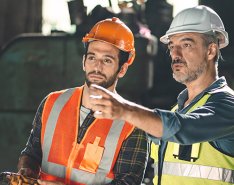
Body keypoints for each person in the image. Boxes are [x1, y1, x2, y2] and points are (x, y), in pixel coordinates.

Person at [89, 6, 234, 185]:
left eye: (186, 44)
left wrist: (124, 109)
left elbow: (182, 128)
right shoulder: (177, 110)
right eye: (172, 46)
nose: (175, 54)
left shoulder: (227, 106)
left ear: (211, 51)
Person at [17, 17, 149, 185]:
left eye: (107, 60)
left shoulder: (132, 125)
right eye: (92, 57)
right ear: (83, 62)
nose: (97, 67)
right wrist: (27, 169)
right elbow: (32, 153)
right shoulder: (52, 102)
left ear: (122, 69)